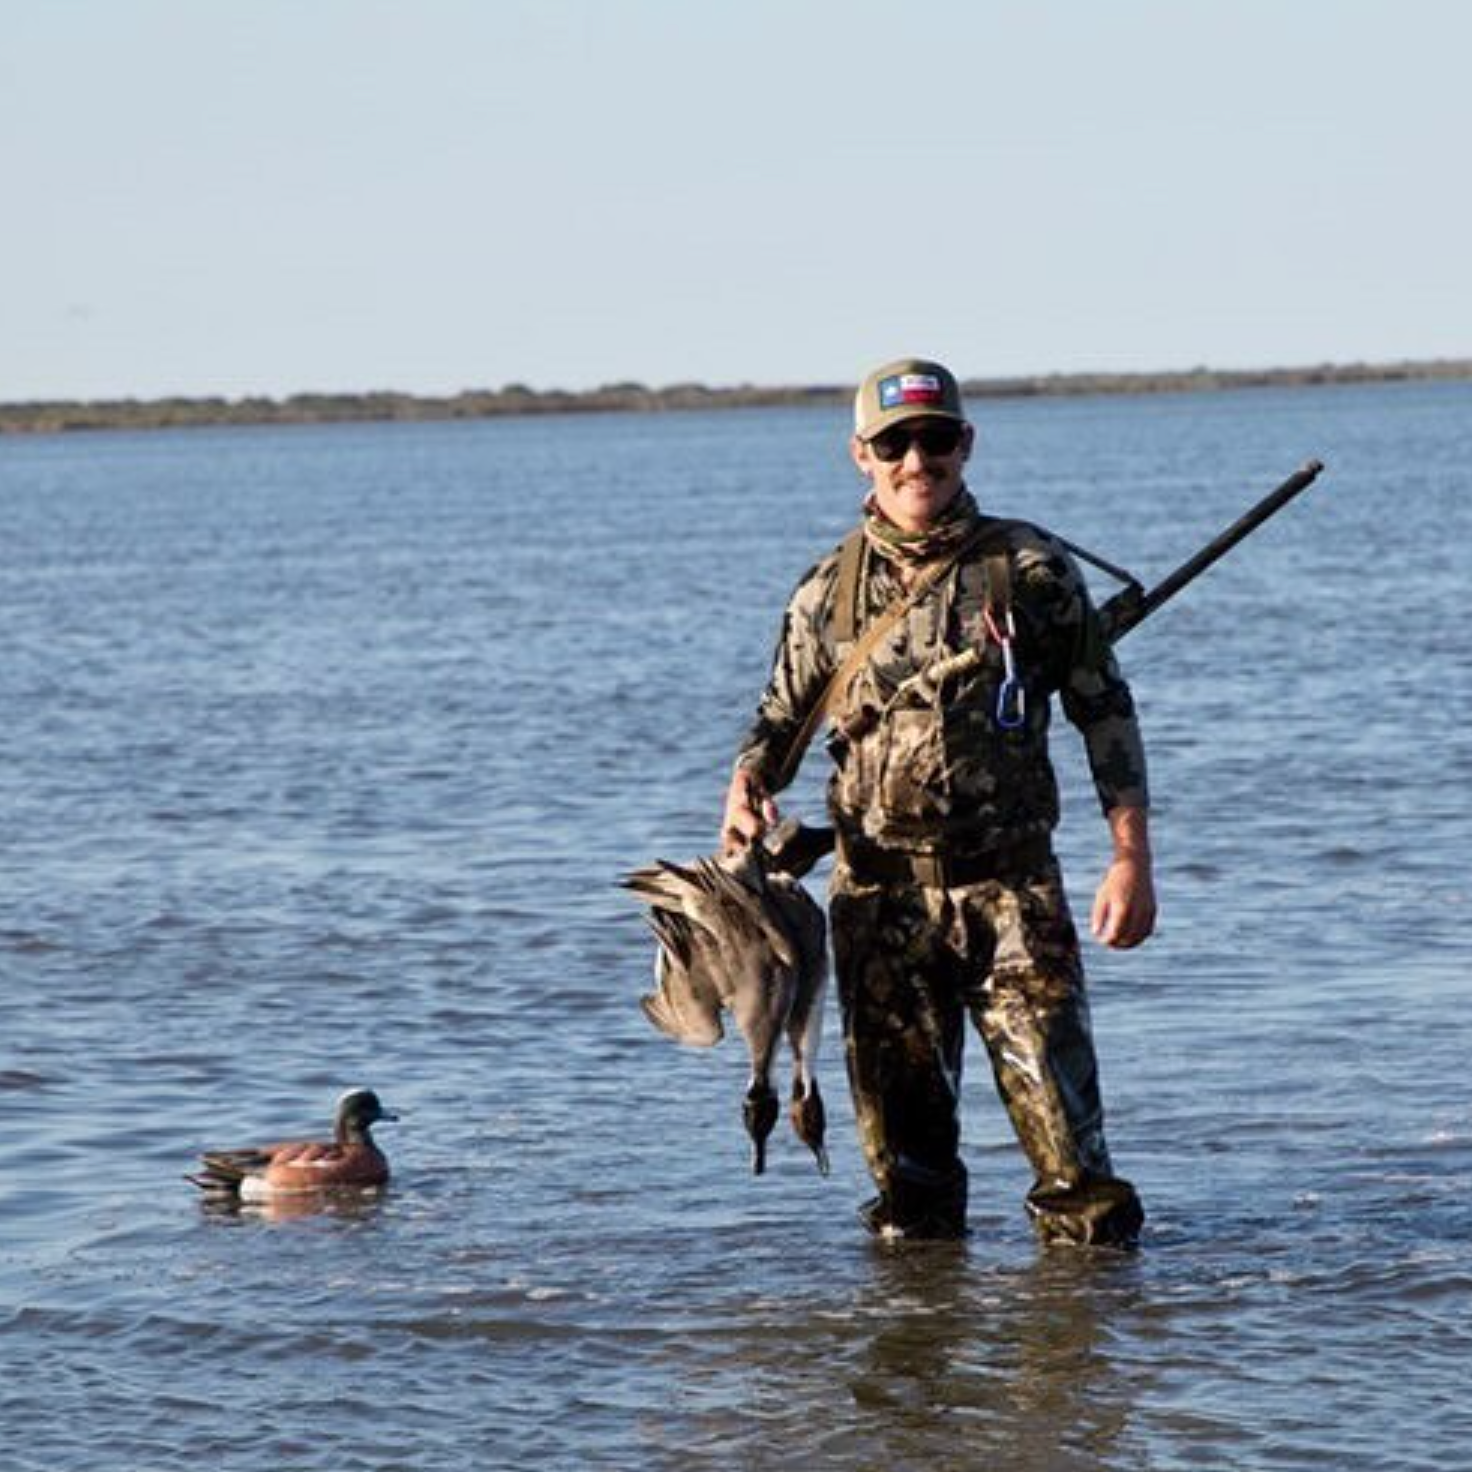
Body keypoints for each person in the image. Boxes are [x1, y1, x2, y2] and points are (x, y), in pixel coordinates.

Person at [722, 357, 1156, 1246]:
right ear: (861, 455)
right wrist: (747, 780)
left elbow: (1102, 708)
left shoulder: (1030, 568)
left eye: (935, 438)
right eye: (895, 444)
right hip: (879, 908)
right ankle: (918, 1371)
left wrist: (1132, 859)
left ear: (966, 442)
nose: (917, 461)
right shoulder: (826, 593)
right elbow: (779, 715)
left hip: (1015, 898)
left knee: (1080, 1184)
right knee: (911, 1196)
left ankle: (1091, 1376)